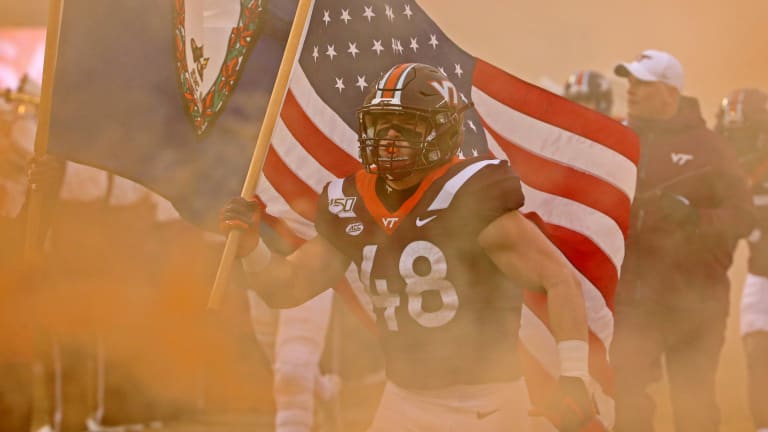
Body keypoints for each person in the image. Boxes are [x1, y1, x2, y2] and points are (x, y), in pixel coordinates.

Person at [220, 62, 597, 432]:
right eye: (381, 124)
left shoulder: (470, 195)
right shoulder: (355, 201)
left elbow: (558, 279)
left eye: (405, 125)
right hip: (402, 400)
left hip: (485, 405)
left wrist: (574, 375)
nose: (388, 139)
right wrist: (253, 248)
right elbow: (287, 287)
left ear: (442, 131)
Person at [609, 50, 754, 432]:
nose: (631, 90)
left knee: (694, 407)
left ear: (670, 93)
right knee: (626, 401)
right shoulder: (616, 138)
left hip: (696, 305)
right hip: (633, 302)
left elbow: (743, 217)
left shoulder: (710, 148)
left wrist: (693, 218)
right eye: (630, 82)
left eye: (643, 84)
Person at [715, 88, 768, 432]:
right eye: (731, 136)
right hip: (761, 274)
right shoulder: (726, 176)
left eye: (745, 136)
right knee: (757, 351)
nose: (738, 145)